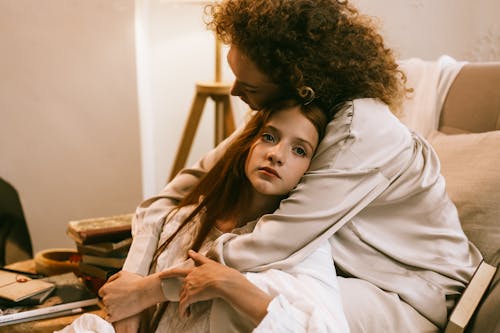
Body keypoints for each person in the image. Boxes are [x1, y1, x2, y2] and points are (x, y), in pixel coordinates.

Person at [111, 0, 482, 332]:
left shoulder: (365, 132)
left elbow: (268, 245)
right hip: (322, 271)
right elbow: (171, 199)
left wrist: (151, 289)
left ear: (297, 80)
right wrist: (131, 277)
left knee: (237, 302)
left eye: (249, 84)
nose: (234, 92)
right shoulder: (287, 116)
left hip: (409, 294)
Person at [100, 100, 350, 332]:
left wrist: (231, 285)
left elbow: (326, 328)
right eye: (269, 137)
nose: (276, 154)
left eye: (299, 150)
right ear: (249, 143)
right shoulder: (186, 219)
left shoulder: (306, 248)